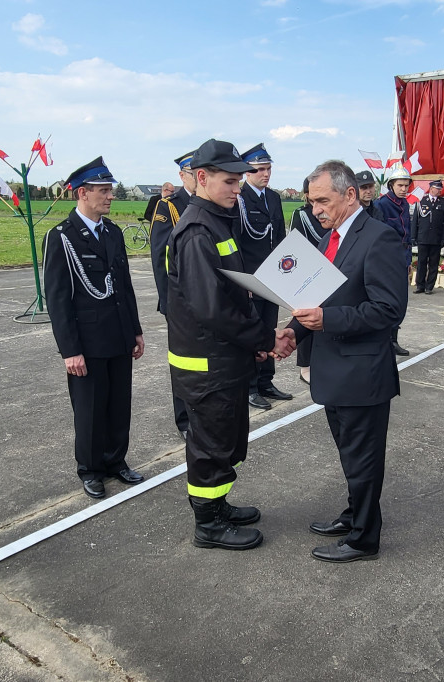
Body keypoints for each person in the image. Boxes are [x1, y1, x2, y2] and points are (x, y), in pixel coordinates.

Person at [166, 138, 294, 551]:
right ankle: (208, 525)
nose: (237, 188)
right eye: (229, 181)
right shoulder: (197, 230)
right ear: (201, 178)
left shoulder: (219, 221)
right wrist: (262, 337)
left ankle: (219, 505)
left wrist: (252, 343)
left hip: (224, 356)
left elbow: (233, 292)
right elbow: (213, 308)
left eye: (240, 181)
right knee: (210, 443)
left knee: (226, 437)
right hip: (206, 361)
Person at [288, 160, 407, 562]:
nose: (315, 209)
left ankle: (363, 539)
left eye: (323, 200)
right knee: (350, 454)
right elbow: (317, 299)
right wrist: (293, 332)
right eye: (311, 202)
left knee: (363, 457)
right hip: (334, 368)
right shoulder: (329, 240)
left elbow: (389, 310)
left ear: (350, 194)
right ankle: (355, 513)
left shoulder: (380, 238)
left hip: (362, 372)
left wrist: (326, 320)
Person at [43, 157, 146, 500]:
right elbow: (57, 300)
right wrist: (69, 350)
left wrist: (135, 330)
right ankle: (90, 468)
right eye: (103, 191)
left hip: (117, 335)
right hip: (86, 342)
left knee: (119, 405)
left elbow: (124, 287)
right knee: (89, 410)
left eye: (110, 190)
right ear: (82, 193)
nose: (110, 197)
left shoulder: (114, 232)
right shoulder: (61, 237)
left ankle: (116, 461)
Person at [238, 143, 292, 410]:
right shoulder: (240, 198)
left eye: (268, 168)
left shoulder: (272, 198)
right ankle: (249, 386)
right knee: (253, 330)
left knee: (270, 327)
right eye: (260, 169)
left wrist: (284, 272)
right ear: (248, 172)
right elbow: (237, 241)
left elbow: (279, 237)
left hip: (272, 276)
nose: (266, 174)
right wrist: (243, 280)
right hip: (251, 278)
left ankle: (266, 381)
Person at [149, 150, 197, 438]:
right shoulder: (169, 206)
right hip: (179, 302)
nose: (197, 178)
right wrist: (169, 304)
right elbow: (159, 259)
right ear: (182, 176)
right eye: (192, 173)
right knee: (183, 362)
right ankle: (184, 419)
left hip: (205, 300)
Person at [289, 177, 329, 385]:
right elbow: (295, 244)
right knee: (305, 319)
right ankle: (305, 366)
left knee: (322, 318)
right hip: (309, 271)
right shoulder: (302, 214)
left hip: (329, 271)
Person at [374, 162, 412, 356]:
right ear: (391, 185)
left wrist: (410, 260)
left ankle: (394, 339)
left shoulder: (405, 204)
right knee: (388, 298)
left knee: (401, 300)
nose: (404, 189)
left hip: (403, 257)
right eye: (400, 185)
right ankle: (385, 339)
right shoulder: (381, 204)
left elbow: (408, 232)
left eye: (406, 186)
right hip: (389, 257)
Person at [411, 179, 444, 294]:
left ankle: (429, 287)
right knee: (421, 262)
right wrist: (413, 236)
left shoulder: (443, 203)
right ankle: (420, 285)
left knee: (433, 263)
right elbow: (415, 221)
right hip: (423, 237)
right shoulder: (421, 201)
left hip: (436, 238)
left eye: (440, 189)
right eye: (437, 189)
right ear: (431, 188)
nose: (439, 191)